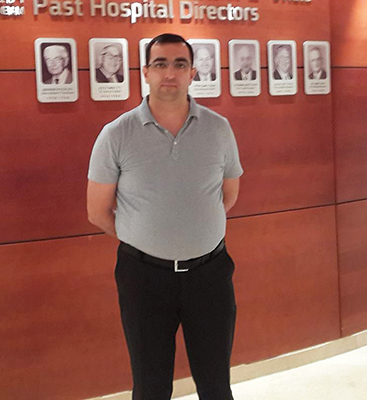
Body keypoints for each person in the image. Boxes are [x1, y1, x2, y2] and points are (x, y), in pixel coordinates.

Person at [87, 33, 243, 400]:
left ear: (192, 73)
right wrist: (146, 237)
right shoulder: (116, 134)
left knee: (216, 384)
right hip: (144, 279)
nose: (169, 73)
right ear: (145, 72)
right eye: (160, 64)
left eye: (179, 64)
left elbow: (228, 195)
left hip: (209, 275)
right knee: (151, 386)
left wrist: (190, 230)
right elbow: (97, 212)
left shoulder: (218, 128)